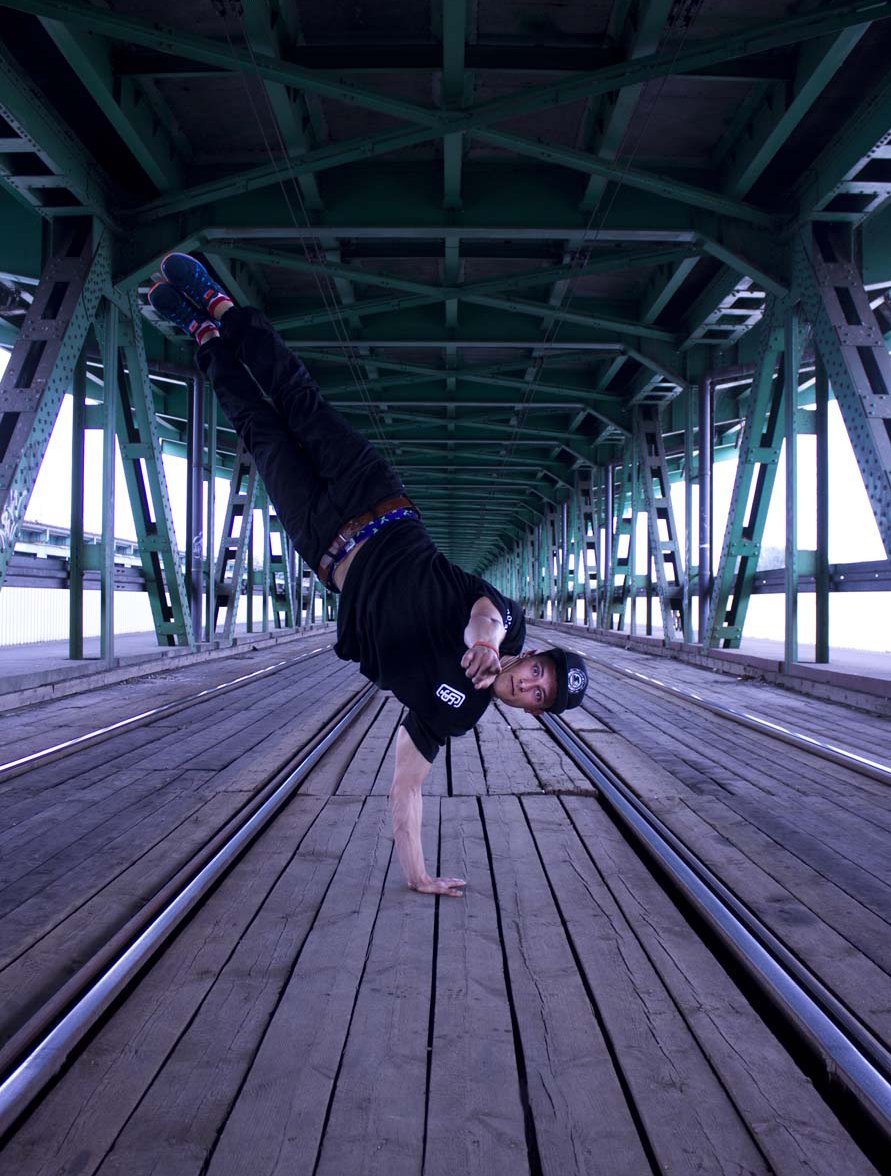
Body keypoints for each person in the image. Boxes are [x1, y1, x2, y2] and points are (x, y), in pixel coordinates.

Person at [149, 253, 590, 897]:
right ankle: (221, 305)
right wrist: (487, 642)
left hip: (327, 545)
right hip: (378, 499)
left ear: (532, 709)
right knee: (299, 398)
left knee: (262, 431)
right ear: (535, 655)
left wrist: (418, 874)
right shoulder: (508, 624)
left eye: (540, 694)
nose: (529, 683)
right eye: (539, 670)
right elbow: (483, 615)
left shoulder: (455, 715)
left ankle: (205, 338)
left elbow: (406, 783)